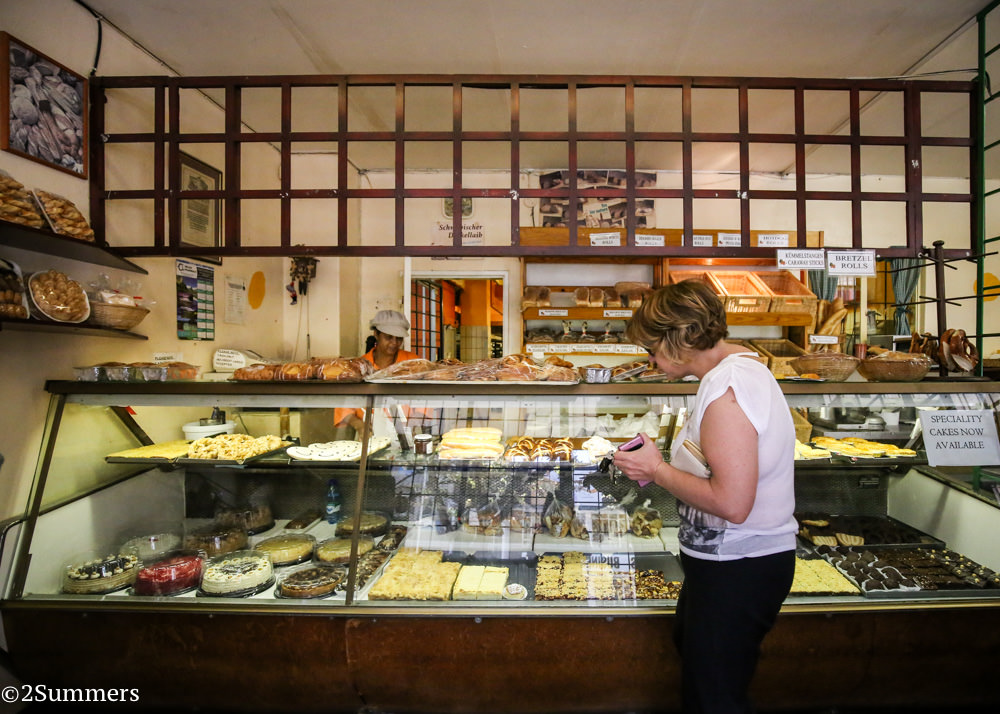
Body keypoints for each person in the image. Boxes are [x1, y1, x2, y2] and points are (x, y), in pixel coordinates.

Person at [613, 280, 797, 714]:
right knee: (709, 677)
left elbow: (733, 503)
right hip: (730, 566)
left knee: (714, 699)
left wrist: (656, 470)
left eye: (651, 347)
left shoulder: (727, 392)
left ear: (677, 338)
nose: (650, 360)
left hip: (741, 570)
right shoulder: (738, 370)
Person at [338, 310, 422, 434]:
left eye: (399, 338)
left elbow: (425, 401)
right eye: (389, 337)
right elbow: (344, 408)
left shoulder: (414, 363)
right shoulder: (359, 366)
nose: (394, 342)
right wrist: (360, 426)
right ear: (376, 334)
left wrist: (416, 421)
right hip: (369, 436)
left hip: (408, 432)